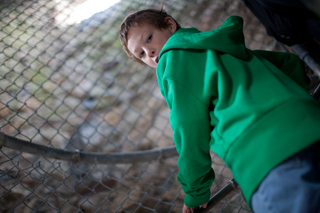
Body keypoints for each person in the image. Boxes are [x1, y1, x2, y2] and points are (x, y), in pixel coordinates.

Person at [119, 8, 320, 213]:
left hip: (265, 155)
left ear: (170, 25)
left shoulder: (171, 63)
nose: (149, 52)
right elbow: (284, 64)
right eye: (141, 54)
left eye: (149, 39)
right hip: (309, 122)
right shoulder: (220, 45)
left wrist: (195, 191)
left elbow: (188, 129)